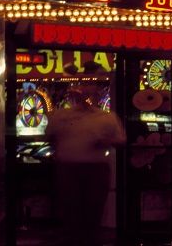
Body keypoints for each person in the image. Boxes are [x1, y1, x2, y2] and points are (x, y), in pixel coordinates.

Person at [48, 87, 125, 242]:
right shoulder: (63, 115)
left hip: (88, 169)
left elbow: (121, 140)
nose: (85, 99)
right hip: (76, 168)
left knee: (90, 211)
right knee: (74, 211)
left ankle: (83, 239)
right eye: (82, 94)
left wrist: (105, 141)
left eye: (88, 94)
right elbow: (50, 135)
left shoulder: (105, 117)